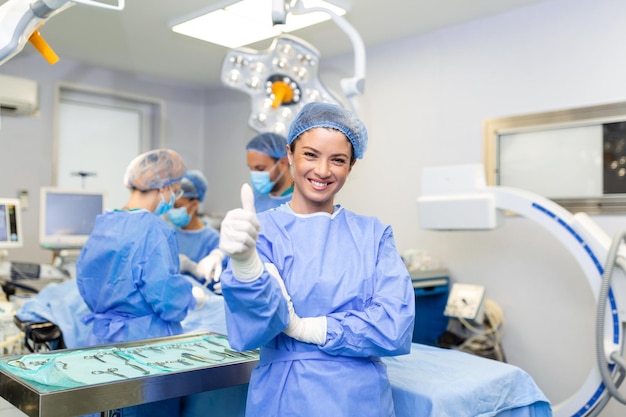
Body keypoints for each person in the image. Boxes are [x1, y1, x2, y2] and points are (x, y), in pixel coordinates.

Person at [219, 102, 416, 417]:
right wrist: (244, 265)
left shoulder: (374, 235)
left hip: (360, 401)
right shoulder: (263, 232)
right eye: (310, 155)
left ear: (350, 166)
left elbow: (394, 327)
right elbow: (253, 329)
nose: (323, 171)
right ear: (290, 155)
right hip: (285, 397)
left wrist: (309, 328)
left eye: (337, 160)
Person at [167, 169, 224, 287]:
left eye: (177, 206)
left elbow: (218, 280)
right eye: (170, 206)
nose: (172, 211)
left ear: (194, 204)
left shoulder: (212, 238)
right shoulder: (167, 233)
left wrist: (193, 268)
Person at [246, 132, 294, 212]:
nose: (254, 174)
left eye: (260, 169)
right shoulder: (256, 198)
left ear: (283, 163)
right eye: (251, 169)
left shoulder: (303, 202)